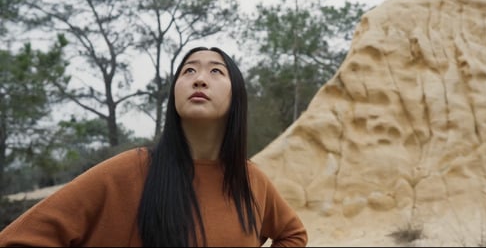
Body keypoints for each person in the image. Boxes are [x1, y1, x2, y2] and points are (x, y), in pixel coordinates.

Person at [0, 46, 308, 247]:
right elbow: (19, 240)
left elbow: (293, 235)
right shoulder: (129, 171)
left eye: (216, 71)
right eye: (189, 70)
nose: (199, 79)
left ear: (236, 96)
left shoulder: (250, 180)